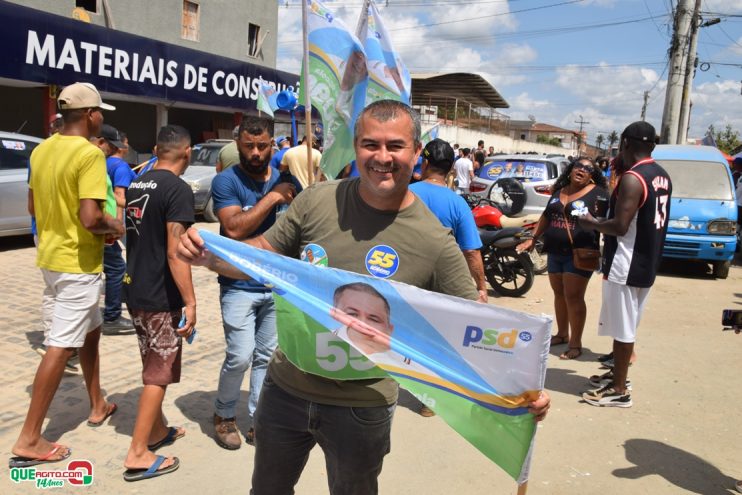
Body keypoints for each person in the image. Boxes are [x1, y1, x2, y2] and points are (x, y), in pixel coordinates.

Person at [177, 100, 550, 494]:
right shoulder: (315, 201)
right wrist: (212, 257)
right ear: (356, 147)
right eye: (371, 145)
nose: (383, 157)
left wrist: (520, 391)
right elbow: (262, 257)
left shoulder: (433, 240)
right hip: (285, 390)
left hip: (363, 405)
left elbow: (476, 329)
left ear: (417, 153)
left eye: (396, 146)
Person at [11, 82, 122, 468]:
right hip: (78, 264)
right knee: (60, 345)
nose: (102, 118)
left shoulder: (42, 149)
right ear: (90, 114)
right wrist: (116, 225)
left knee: (90, 332)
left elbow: (33, 206)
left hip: (51, 260)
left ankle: (97, 404)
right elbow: (91, 218)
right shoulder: (89, 155)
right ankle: (29, 438)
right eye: (100, 112)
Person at [210, 115, 297, 450]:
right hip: (237, 286)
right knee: (240, 356)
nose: (257, 153)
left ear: (272, 144)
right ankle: (224, 415)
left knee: (266, 358)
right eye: (249, 146)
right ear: (238, 144)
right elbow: (233, 229)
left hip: (276, 286)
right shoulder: (226, 182)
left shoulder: (287, 181)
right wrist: (273, 199)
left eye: (263, 146)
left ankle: (259, 421)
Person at [578, 121, 672, 408]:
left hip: (627, 262)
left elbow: (619, 226)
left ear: (626, 143)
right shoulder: (662, 175)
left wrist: (592, 223)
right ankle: (617, 376)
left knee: (623, 329)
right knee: (627, 325)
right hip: (647, 261)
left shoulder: (633, 177)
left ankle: (619, 389)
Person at [121, 125, 196, 482]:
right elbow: (175, 249)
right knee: (159, 372)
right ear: (188, 153)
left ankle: (156, 431)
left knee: (151, 360)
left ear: (155, 149)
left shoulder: (139, 182)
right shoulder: (177, 189)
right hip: (159, 294)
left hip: (134, 288)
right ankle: (137, 452)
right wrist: (191, 301)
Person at [518, 157, 608, 360]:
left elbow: (605, 223)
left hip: (579, 254)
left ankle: (576, 343)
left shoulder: (599, 195)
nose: (582, 170)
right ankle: (562, 334)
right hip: (555, 252)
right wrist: (533, 238)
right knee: (559, 294)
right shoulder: (560, 191)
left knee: (574, 297)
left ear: (592, 175)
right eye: (579, 166)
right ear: (570, 170)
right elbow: (547, 216)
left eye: (588, 168)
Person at [410, 138, 487, 304]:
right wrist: (481, 287)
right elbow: (471, 252)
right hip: (442, 290)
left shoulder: (404, 194)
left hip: (405, 283)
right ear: (451, 168)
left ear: (425, 163)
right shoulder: (458, 203)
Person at [97, 124, 136, 332]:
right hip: (108, 225)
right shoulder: (120, 167)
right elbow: (119, 197)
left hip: (105, 224)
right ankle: (112, 316)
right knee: (117, 268)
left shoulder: (101, 164)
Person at [331, 283, 393, 357]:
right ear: (334, 314)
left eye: (374, 319)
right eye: (352, 314)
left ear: (389, 329)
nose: (362, 324)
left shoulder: (405, 363)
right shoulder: (315, 344)